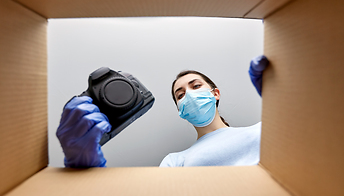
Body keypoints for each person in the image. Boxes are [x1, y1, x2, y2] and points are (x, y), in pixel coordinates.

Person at [56, 55, 269, 168]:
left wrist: (287, 101)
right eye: (180, 95)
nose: (189, 95)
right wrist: (82, 166)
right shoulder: (175, 161)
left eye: (196, 86)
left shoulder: (264, 131)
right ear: (181, 110)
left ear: (215, 94)